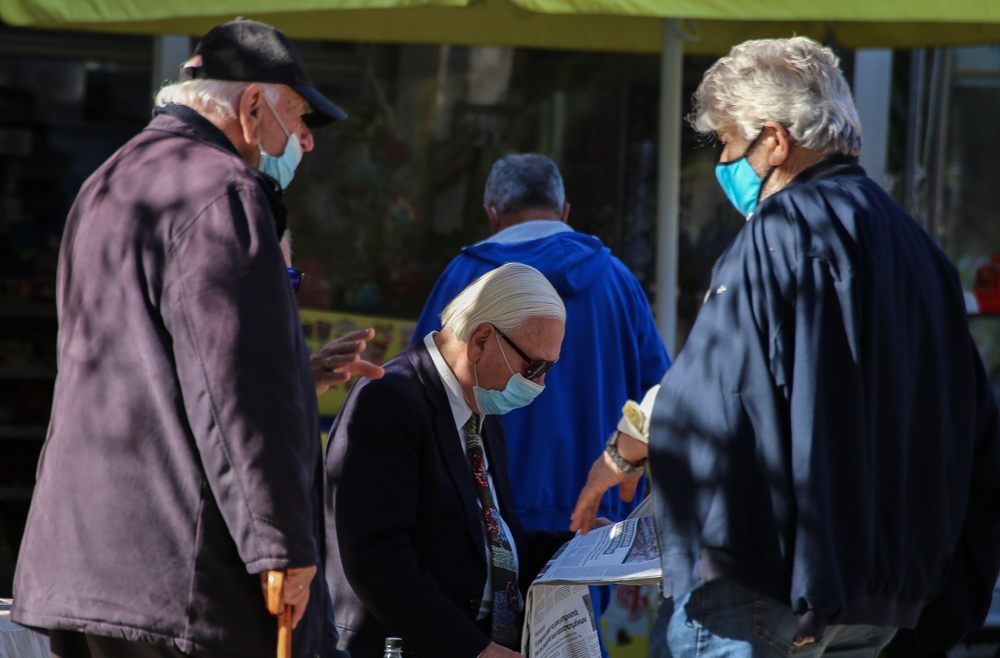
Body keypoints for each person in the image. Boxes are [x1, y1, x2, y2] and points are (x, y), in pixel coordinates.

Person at [570, 36, 1000, 656]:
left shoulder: (779, 234)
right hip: (882, 598)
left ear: (773, 139)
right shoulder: (919, 249)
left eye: (726, 142)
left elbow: (714, 397)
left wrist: (625, 449)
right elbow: (976, 428)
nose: (723, 162)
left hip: (762, 581)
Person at [12, 19, 359, 658]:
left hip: (88, 562)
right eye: (299, 116)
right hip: (178, 580)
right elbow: (236, 389)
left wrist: (297, 375)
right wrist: (281, 545)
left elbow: (156, 368)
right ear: (253, 104)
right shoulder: (222, 191)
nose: (306, 142)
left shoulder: (109, 182)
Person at [326, 263, 575, 658]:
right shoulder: (388, 400)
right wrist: (474, 650)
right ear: (480, 339)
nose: (539, 383)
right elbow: (377, 559)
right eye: (535, 366)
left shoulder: (479, 407)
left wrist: (583, 549)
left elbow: (485, 546)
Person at [412, 154, 669, 530]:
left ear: (492, 214)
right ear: (564, 211)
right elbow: (661, 396)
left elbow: (420, 387)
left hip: (480, 510)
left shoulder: (468, 276)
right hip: (595, 515)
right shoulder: (618, 282)